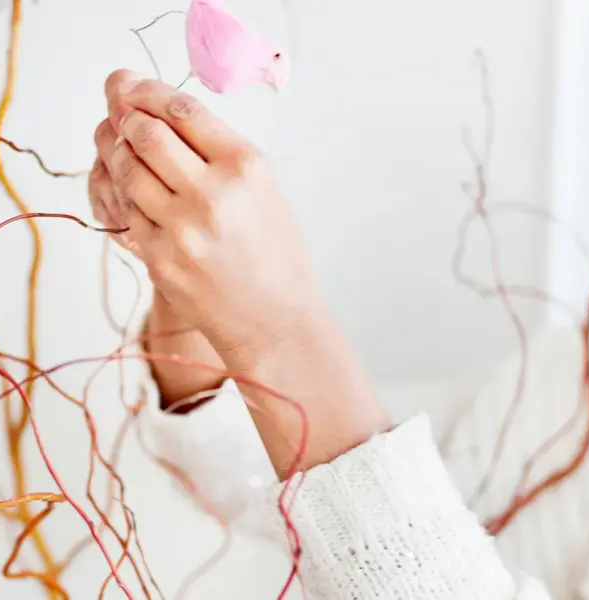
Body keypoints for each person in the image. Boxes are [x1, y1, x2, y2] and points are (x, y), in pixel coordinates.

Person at [86, 68, 553, 599]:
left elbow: (346, 478)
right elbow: (258, 482)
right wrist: (190, 283)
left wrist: (280, 327)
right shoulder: (573, 377)